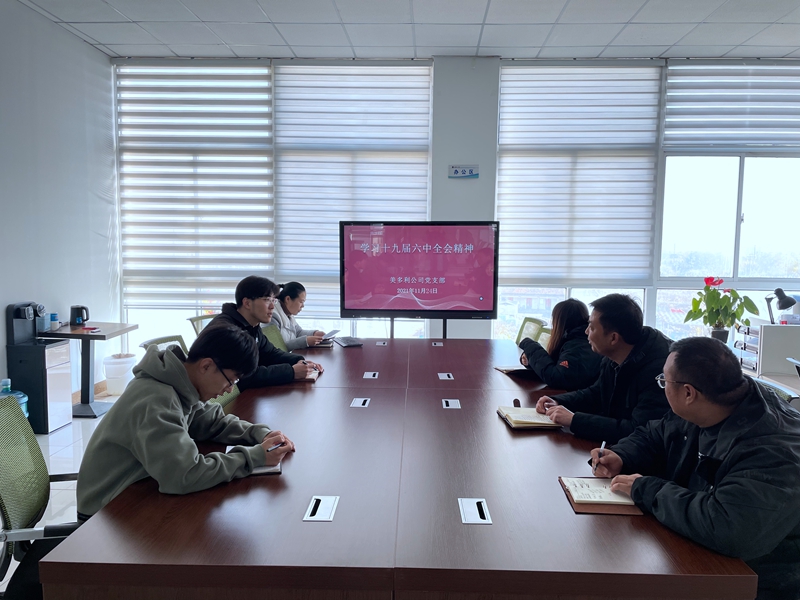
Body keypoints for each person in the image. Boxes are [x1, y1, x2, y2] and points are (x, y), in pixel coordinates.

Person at [592, 337, 800, 600]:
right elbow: (656, 433)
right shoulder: (711, 403)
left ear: (688, 393)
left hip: (754, 581)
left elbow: (728, 527)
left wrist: (648, 489)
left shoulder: (773, 450)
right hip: (697, 554)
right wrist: (622, 455)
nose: (662, 386)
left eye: (664, 381)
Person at [75, 325, 294, 521]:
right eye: (230, 381)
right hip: (106, 512)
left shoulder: (181, 385)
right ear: (206, 366)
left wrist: (261, 434)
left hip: (141, 487)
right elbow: (184, 475)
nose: (229, 390)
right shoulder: (156, 398)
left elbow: (213, 422)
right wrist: (256, 457)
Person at [535, 293, 671, 443]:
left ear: (613, 338)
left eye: (592, 328)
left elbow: (638, 430)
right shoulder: (614, 355)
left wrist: (575, 420)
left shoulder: (659, 371)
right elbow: (598, 393)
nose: (586, 331)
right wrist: (558, 401)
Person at [209, 275, 322, 389]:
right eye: (267, 300)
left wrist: (300, 361)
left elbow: (270, 353)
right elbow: (245, 376)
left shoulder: (252, 325)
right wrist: (291, 371)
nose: (272, 306)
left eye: (274, 300)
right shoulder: (229, 331)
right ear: (247, 303)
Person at [518, 298, 602, 391]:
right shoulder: (574, 339)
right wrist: (530, 361)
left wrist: (530, 346)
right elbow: (557, 367)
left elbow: (557, 378)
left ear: (559, 322)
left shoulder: (578, 346)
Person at [271, 281, 326, 350]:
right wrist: (305, 341)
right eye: (301, 302)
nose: (303, 306)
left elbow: (298, 332)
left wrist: (314, 333)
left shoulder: (288, 314)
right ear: (288, 299)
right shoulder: (272, 317)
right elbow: (277, 347)